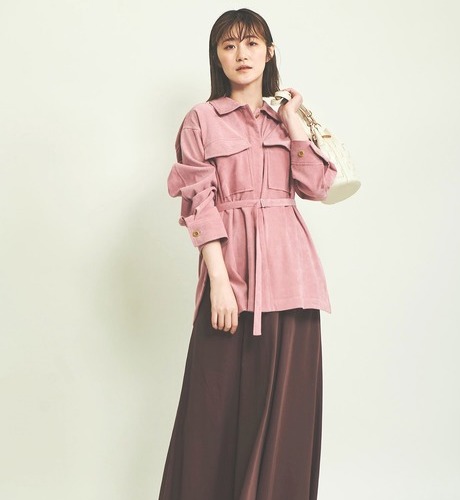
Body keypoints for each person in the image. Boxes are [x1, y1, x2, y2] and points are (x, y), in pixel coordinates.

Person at [158, 7, 337, 500]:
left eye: (252, 43)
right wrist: (219, 281)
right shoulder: (201, 120)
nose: (242, 54)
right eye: (230, 45)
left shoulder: (286, 120)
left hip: (292, 280)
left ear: (269, 52)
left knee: (286, 418)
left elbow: (319, 186)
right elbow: (200, 204)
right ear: (217, 56)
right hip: (232, 277)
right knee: (211, 414)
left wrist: (294, 122)